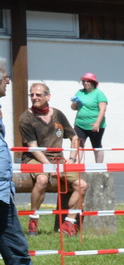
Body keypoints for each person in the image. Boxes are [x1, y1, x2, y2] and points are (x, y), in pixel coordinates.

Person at [0, 66, 60, 265]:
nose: (7, 81)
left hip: (4, 192)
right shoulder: (26, 117)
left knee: (17, 249)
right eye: (4, 77)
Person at [21, 82, 85, 235]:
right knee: (42, 180)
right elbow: (34, 148)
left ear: (48, 96)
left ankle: (69, 223)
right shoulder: (26, 118)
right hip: (34, 159)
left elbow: (74, 137)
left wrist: (71, 158)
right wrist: (50, 167)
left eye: (38, 94)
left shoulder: (58, 114)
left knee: (82, 185)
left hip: (59, 160)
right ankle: (33, 219)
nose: (34, 97)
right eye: (32, 94)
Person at [70, 73, 108, 164]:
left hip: (95, 125)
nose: (85, 83)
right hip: (80, 124)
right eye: (84, 81)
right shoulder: (79, 92)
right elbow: (73, 108)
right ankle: (76, 166)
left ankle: (99, 168)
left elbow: (103, 110)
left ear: (93, 82)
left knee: (96, 145)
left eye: (88, 81)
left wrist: (97, 123)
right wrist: (75, 104)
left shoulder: (98, 93)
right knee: (78, 145)